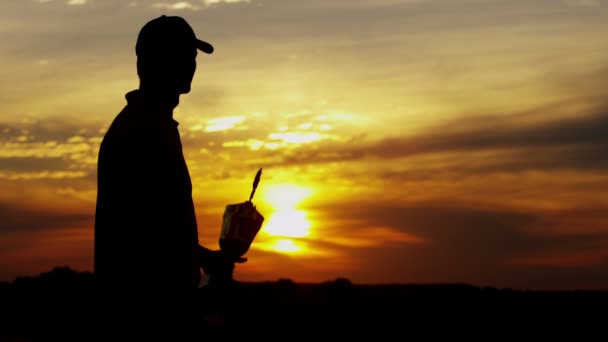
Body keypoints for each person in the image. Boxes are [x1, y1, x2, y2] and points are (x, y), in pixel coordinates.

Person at [94, 15, 245, 298]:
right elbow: (140, 238)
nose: (190, 64)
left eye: (191, 56)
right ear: (149, 63)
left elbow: (154, 223)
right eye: (180, 55)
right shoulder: (144, 129)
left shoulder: (150, 124)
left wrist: (200, 258)